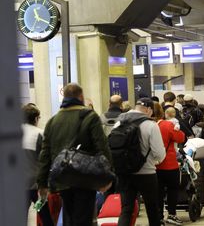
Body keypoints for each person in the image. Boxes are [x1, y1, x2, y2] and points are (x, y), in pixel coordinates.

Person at [37, 83, 113, 226]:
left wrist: (42, 183)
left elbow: (45, 154)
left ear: (64, 97)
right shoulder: (90, 117)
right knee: (83, 218)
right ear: (81, 97)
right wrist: (107, 176)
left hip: (62, 179)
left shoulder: (52, 121)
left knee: (69, 217)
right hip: (85, 177)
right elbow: (102, 147)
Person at [116, 98, 166, 226]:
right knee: (152, 209)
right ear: (148, 110)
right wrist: (155, 161)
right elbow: (159, 154)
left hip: (124, 173)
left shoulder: (119, 122)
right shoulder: (151, 125)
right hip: (147, 173)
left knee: (126, 210)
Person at [22, 103, 54, 226]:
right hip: (36, 185)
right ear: (36, 118)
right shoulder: (39, 133)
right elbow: (47, 158)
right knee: (44, 216)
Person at [153, 103, 185, 225]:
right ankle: (171, 214)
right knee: (172, 189)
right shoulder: (167, 125)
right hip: (169, 163)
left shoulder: (147, 126)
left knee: (158, 192)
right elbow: (181, 138)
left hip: (153, 166)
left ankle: (158, 216)